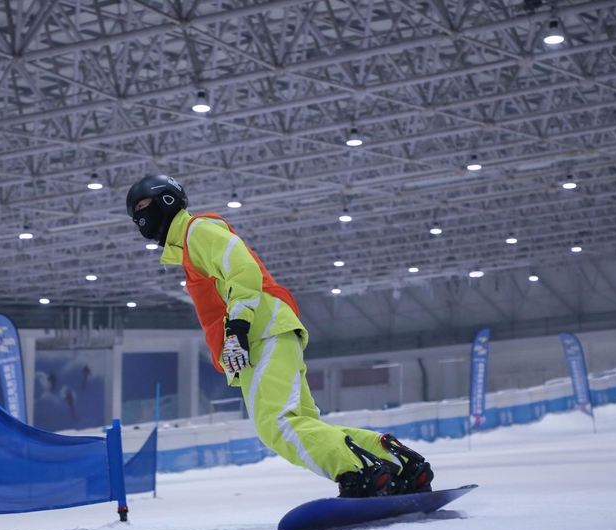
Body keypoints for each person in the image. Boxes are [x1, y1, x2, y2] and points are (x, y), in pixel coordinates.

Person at [125, 174, 434, 497]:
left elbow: (242, 268)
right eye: (135, 215)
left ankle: (359, 471)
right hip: (271, 330)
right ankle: (397, 464)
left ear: (167, 200)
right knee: (301, 422)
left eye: (143, 207)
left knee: (277, 425)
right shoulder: (190, 247)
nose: (140, 218)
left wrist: (237, 328)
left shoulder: (196, 231)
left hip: (259, 333)